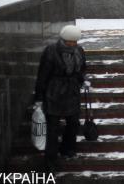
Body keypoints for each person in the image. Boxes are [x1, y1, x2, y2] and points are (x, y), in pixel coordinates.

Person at [34, 25, 87, 172]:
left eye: (74, 41)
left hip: (72, 90)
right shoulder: (51, 51)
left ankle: (67, 149)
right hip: (54, 92)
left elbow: (82, 68)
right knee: (52, 127)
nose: (72, 44)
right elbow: (43, 74)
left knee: (73, 122)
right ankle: (50, 160)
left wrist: (82, 80)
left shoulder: (79, 51)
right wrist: (39, 96)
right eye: (69, 41)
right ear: (63, 39)